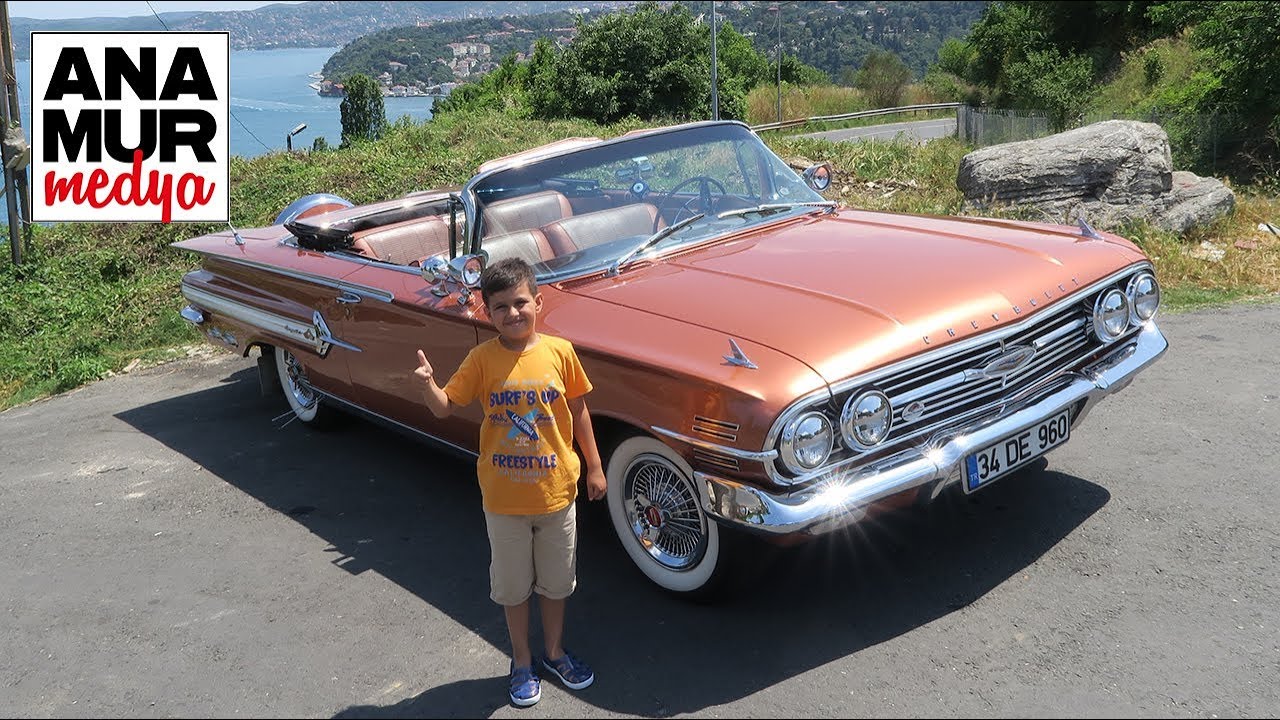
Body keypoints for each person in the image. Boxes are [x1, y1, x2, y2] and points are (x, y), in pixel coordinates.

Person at [412, 257, 607, 707]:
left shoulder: (561, 353)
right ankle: (522, 660)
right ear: (486, 312)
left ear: (538, 302)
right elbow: (445, 406)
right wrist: (428, 385)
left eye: (521, 302)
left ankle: (555, 652)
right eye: (500, 306)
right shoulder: (481, 359)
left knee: (557, 583)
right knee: (513, 587)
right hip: (503, 499)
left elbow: (578, 411)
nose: (512, 313)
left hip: (557, 494)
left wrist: (594, 466)